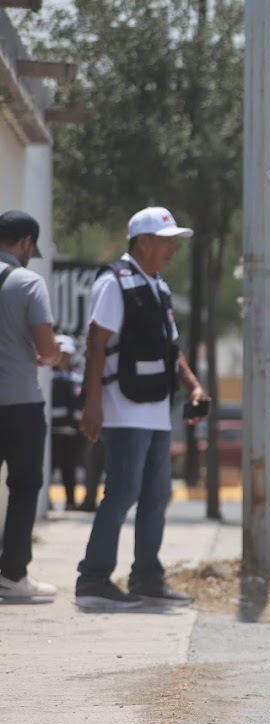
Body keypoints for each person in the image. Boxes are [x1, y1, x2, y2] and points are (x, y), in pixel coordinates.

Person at [75, 207, 209, 610]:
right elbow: (96, 342)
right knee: (121, 495)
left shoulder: (159, 287)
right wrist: (92, 404)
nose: (172, 249)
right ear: (143, 242)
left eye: (174, 242)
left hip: (154, 411)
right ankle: (94, 579)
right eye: (166, 241)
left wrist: (194, 386)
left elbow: (172, 349)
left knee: (156, 496)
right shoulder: (115, 283)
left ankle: (147, 577)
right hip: (122, 410)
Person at [0, 210, 61, 600]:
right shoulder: (28, 283)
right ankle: (12, 576)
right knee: (24, 487)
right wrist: (55, 355)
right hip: (19, 402)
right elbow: (47, 348)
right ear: (25, 243)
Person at [50, 333, 85, 511]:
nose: (65, 357)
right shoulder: (47, 376)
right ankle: (46, 502)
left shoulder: (77, 377)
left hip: (72, 431)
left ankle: (70, 501)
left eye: (68, 354)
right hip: (53, 431)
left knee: (69, 468)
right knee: (49, 467)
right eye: (62, 353)